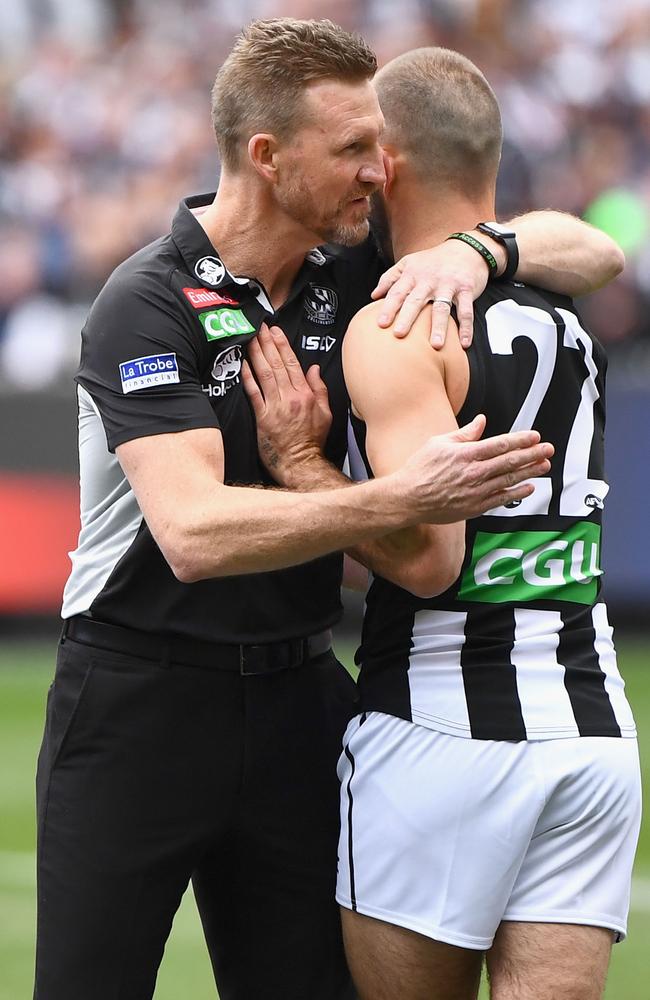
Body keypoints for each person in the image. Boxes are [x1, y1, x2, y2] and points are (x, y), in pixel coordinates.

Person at [34, 18, 622, 1000]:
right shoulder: (146, 301)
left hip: (300, 696)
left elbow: (593, 249)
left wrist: (480, 252)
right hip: (139, 694)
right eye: (351, 148)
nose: (375, 171)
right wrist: (401, 497)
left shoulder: (347, 268)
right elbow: (191, 531)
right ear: (268, 158)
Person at [329, 48, 639, 1000]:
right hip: (589, 730)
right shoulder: (560, 305)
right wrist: (486, 245)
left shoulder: (394, 324)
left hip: (439, 731)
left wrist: (302, 473)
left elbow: (427, 561)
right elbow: (601, 249)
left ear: (391, 164)